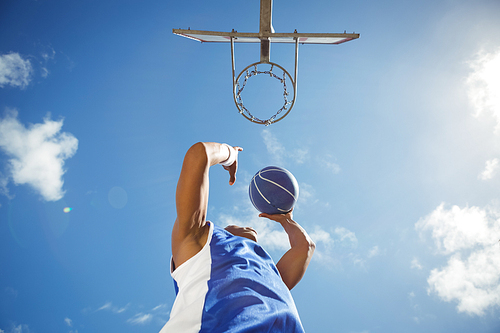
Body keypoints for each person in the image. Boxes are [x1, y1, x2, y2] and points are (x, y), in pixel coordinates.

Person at [159, 142, 315, 333]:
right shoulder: (198, 242)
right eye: (234, 226)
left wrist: (286, 219)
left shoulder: (269, 273)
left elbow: (305, 247)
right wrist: (229, 154)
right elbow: (198, 154)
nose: (247, 227)